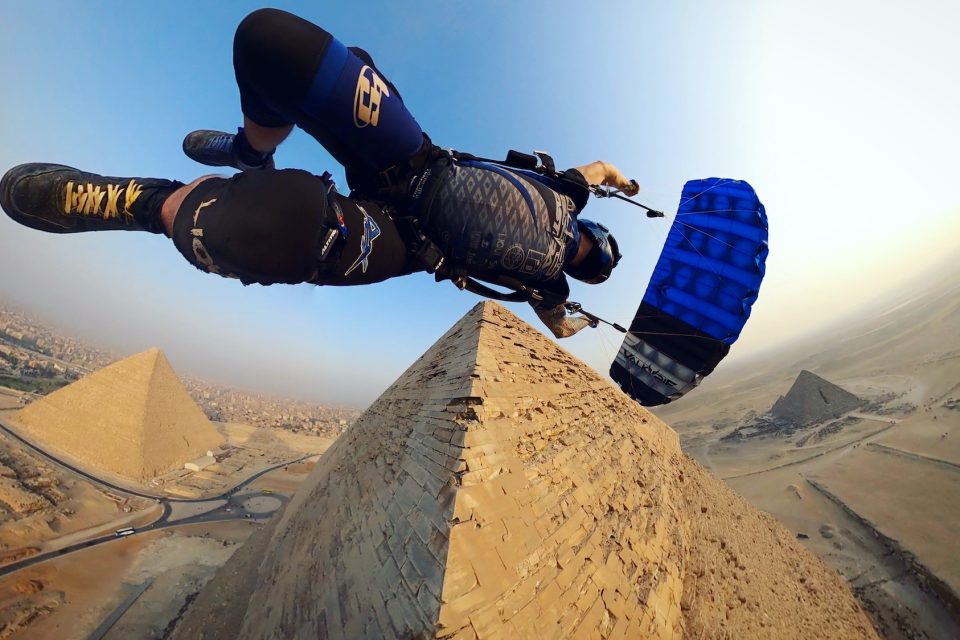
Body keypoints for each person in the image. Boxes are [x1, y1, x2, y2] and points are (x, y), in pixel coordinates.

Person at [0, 8, 638, 338]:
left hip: (407, 237)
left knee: (279, 232)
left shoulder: (551, 276)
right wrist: (619, 186)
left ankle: (144, 205)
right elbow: (600, 175)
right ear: (593, 244)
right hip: (416, 159)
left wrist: (618, 188)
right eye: (590, 253)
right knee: (271, 42)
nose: (583, 253)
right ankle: (251, 151)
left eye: (588, 257)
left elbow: (560, 319)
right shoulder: (566, 209)